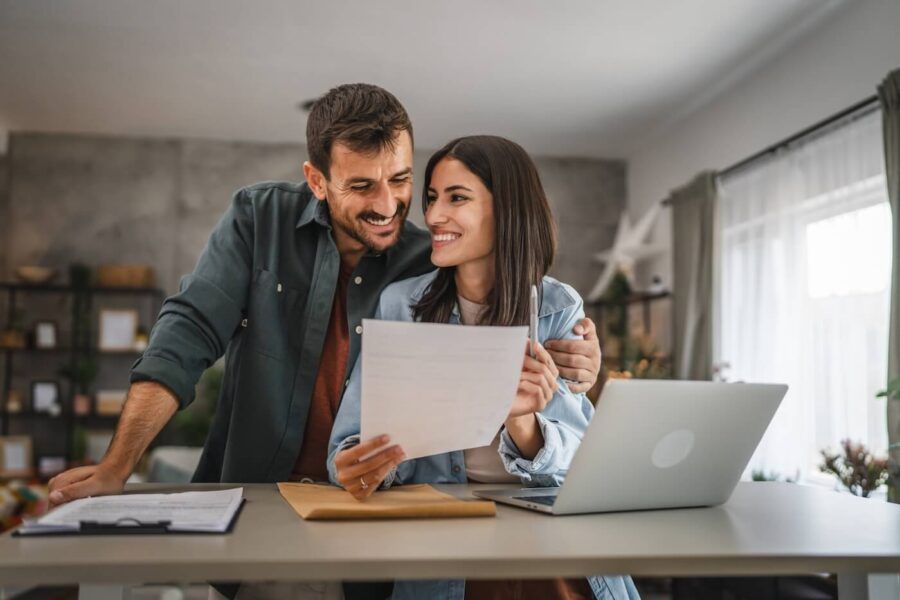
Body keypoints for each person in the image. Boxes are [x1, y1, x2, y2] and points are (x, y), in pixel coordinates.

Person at [46, 85, 604, 599]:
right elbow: (187, 331)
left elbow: (531, 363)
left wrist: (580, 363)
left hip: (378, 533)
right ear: (318, 181)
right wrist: (118, 465)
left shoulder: (431, 262)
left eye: (403, 180)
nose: (391, 206)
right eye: (361, 185)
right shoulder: (260, 219)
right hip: (261, 503)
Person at [328, 135, 640, 600]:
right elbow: (349, 443)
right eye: (432, 199)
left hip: (550, 547)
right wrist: (362, 466)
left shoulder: (558, 307)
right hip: (446, 551)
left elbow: (579, 465)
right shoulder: (401, 305)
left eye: (457, 198)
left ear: (507, 210)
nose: (433, 216)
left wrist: (521, 420)